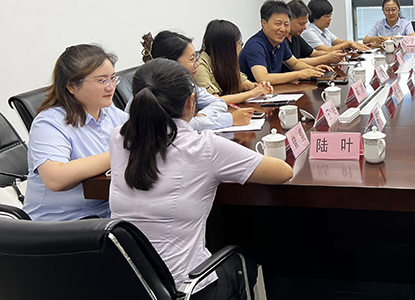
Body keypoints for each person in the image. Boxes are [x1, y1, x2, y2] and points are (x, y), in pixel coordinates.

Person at [110, 58, 293, 299]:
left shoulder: (118, 138)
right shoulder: (205, 147)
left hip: (125, 283)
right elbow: (283, 172)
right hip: (184, 288)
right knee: (245, 262)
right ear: (190, 102)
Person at [22, 44, 129, 221]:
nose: (111, 87)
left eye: (113, 78)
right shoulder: (49, 123)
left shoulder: (110, 113)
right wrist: (120, 152)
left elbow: (142, 137)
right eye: (101, 81)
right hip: (59, 224)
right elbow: (56, 178)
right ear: (71, 86)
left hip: (106, 216)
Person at [141, 31, 253, 128]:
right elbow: (178, 127)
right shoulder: (153, 90)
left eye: (196, 58)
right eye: (192, 59)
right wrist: (228, 120)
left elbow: (219, 102)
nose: (197, 64)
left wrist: (201, 118)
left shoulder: (187, 84)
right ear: (171, 63)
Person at [238, 0, 325, 84]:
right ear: (264, 23)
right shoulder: (255, 46)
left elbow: (295, 64)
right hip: (252, 93)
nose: (283, 29)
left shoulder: (280, 42)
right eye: (278, 24)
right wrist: (299, 74)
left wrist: (313, 70)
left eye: (286, 24)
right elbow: (263, 78)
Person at [196, 19, 274, 104]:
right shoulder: (200, 66)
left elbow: (242, 82)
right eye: (239, 43)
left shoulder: (221, 60)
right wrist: (251, 94)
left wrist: (257, 87)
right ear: (227, 47)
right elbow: (215, 101)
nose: (241, 47)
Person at [284, 0, 346, 70]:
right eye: (301, 24)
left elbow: (314, 53)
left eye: (305, 23)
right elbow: (294, 62)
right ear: (287, 20)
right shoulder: (282, 40)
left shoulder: (296, 37)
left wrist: (334, 55)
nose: (304, 27)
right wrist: (326, 58)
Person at [301, 0, 370, 52]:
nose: (330, 19)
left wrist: (355, 44)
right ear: (316, 16)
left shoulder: (325, 30)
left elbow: (340, 42)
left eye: (330, 16)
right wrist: (349, 43)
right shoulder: (309, 32)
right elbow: (326, 51)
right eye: (327, 16)